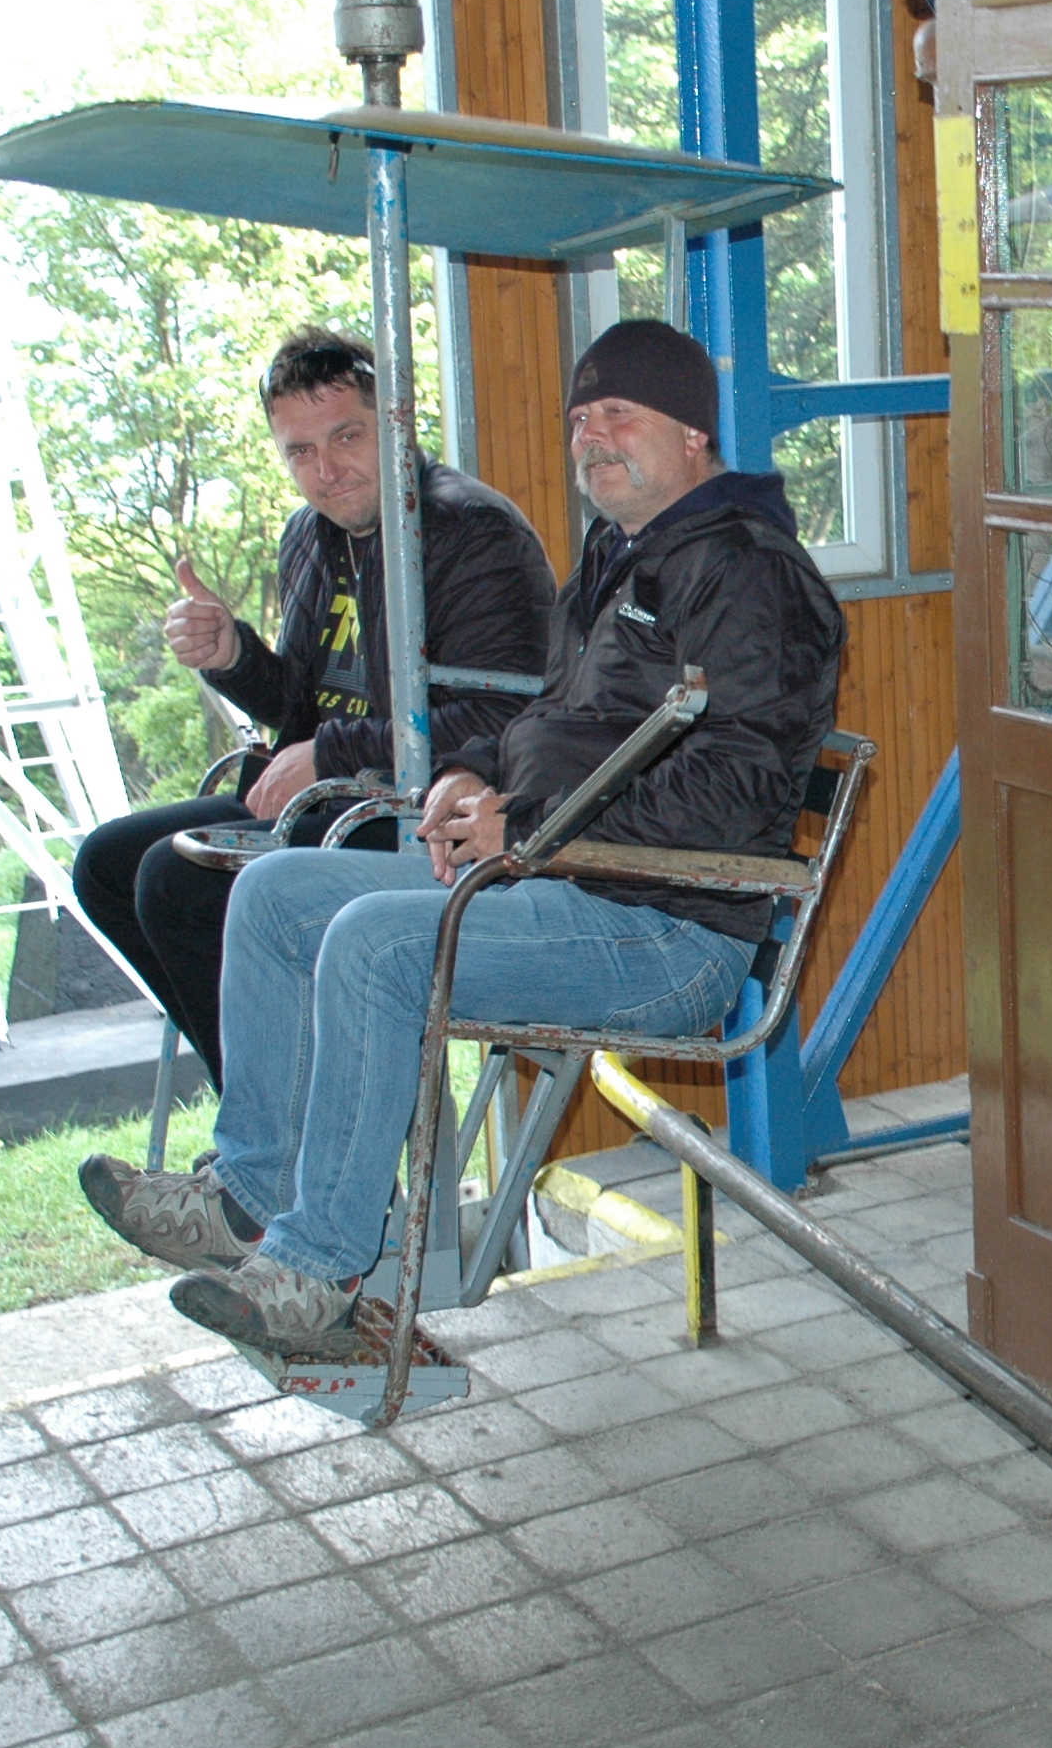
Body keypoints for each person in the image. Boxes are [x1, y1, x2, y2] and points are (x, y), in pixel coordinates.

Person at [78, 320, 846, 1356]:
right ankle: (249, 1194)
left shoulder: (751, 575)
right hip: (567, 878)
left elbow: (735, 790)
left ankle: (318, 1270)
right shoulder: (620, 559)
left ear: (692, 432)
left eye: (620, 414)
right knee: (272, 894)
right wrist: (473, 775)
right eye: (580, 417)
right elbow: (550, 724)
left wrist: (526, 822)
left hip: (668, 926)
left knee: (376, 944)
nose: (592, 436)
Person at [68, 327, 555, 1092]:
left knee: (174, 879)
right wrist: (232, 655)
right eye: (299, 452)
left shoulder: (470, 531)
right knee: (106, 864)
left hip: (423, 823)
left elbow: (504, 723)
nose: (326, 472)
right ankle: (268, 1111)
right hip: (329, 806)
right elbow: (299, 708)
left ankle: (274, 1135)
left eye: (346, 437)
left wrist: (330, 755)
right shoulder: (308, 536)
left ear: (396, 423)